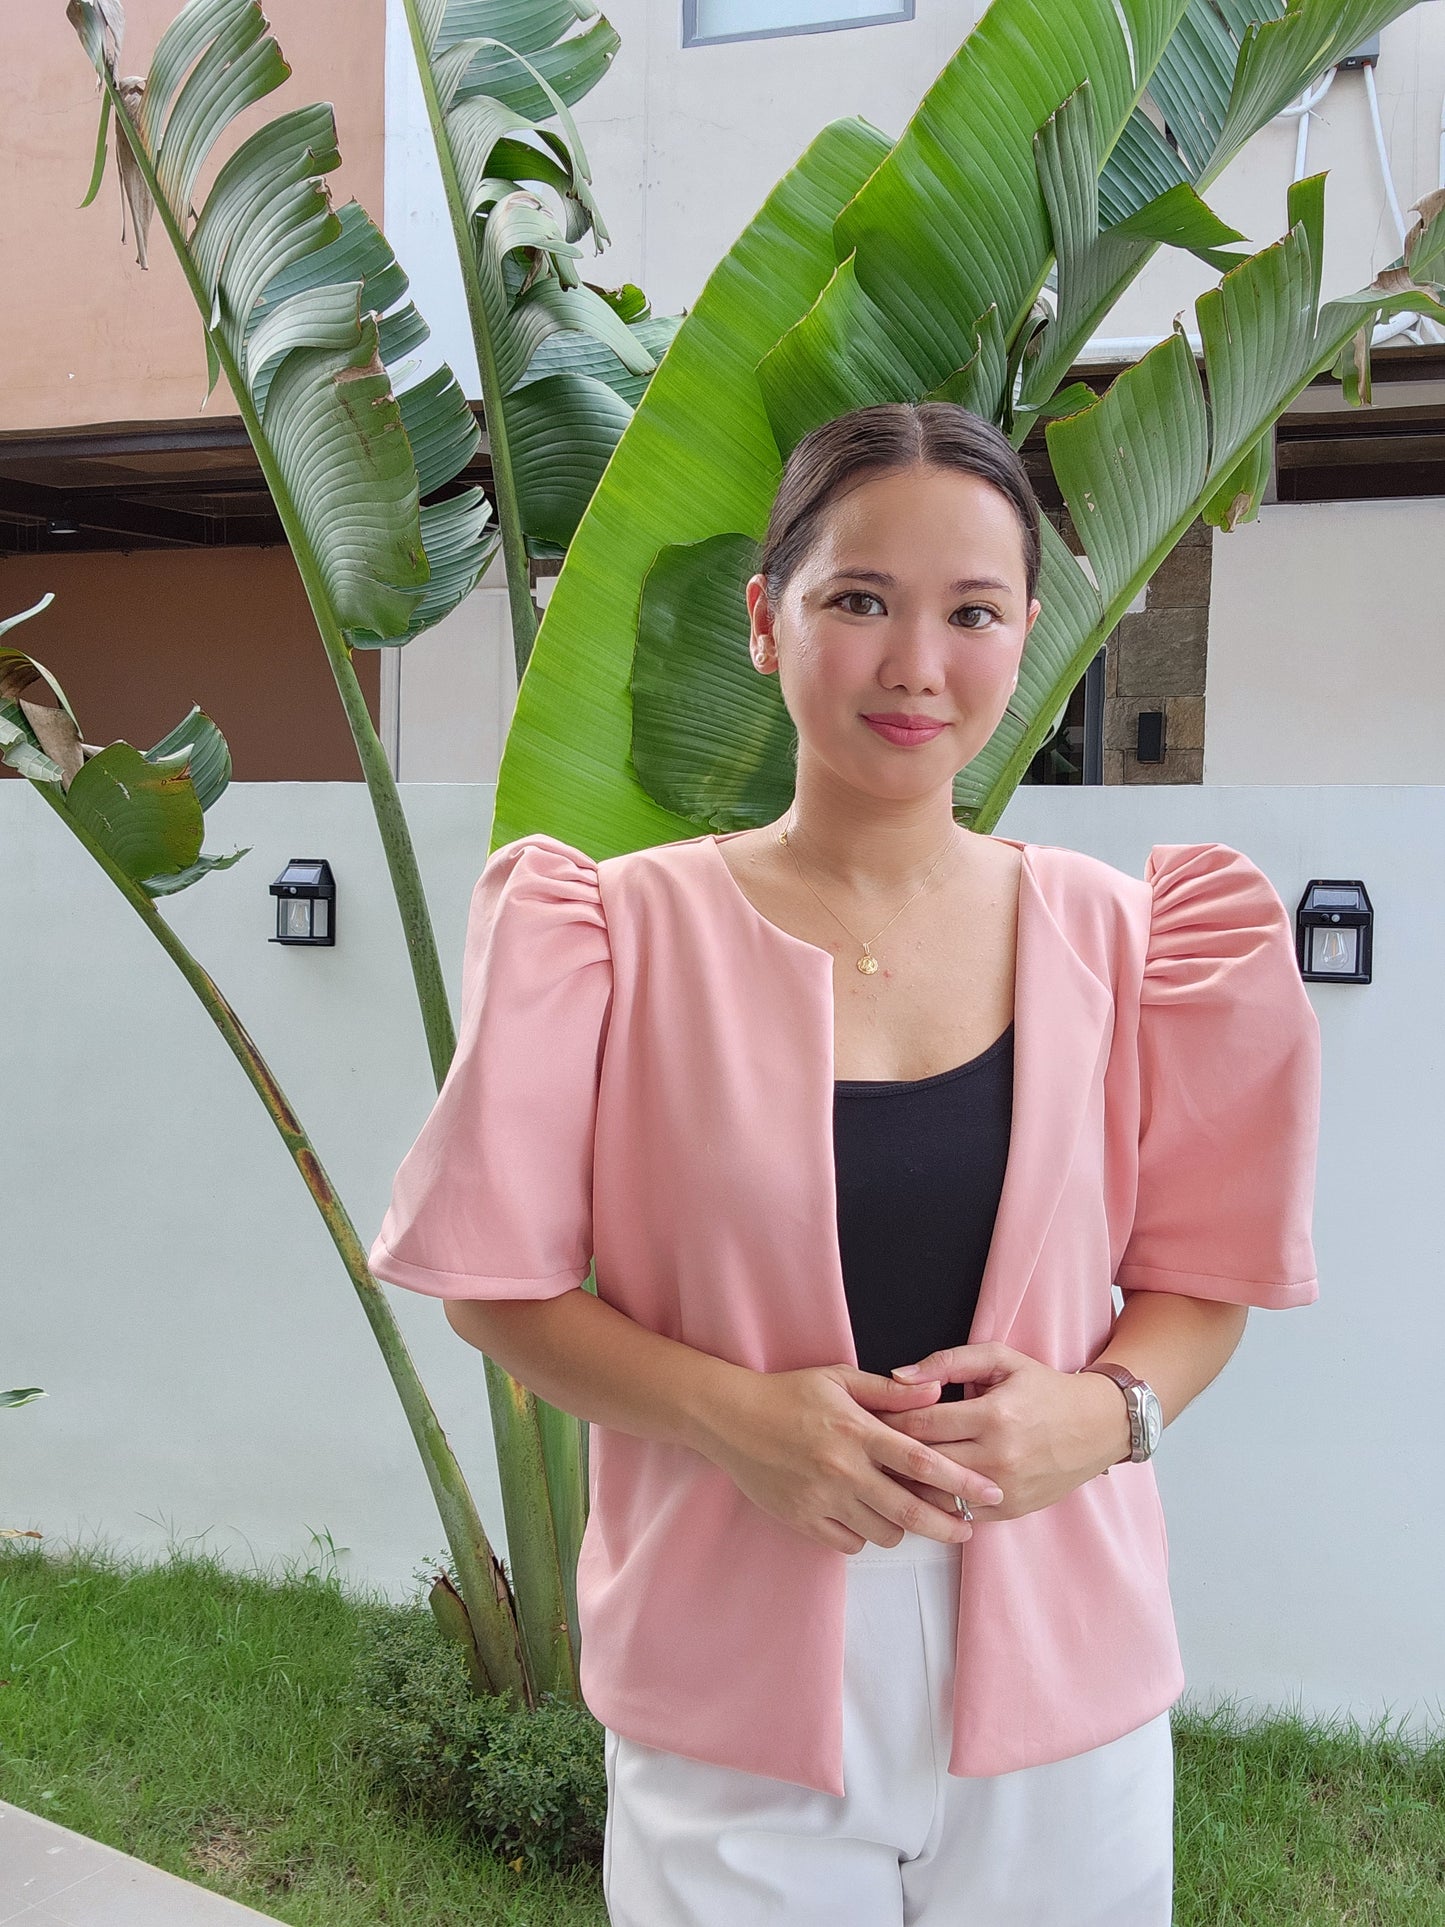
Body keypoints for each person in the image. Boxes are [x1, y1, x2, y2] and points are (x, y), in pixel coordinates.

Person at [368, 402, 1322, 1925]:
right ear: (765, 621)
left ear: (1025, 636)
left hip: (1061, 1686)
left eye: (973, 612)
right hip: (730, 1683)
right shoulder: (611, 932)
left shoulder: (1131, 943)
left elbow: (1201, 1281)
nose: (914, 666)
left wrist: (1105, 1413)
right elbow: (496, 1285)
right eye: (858, 601)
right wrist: (738, 1421)